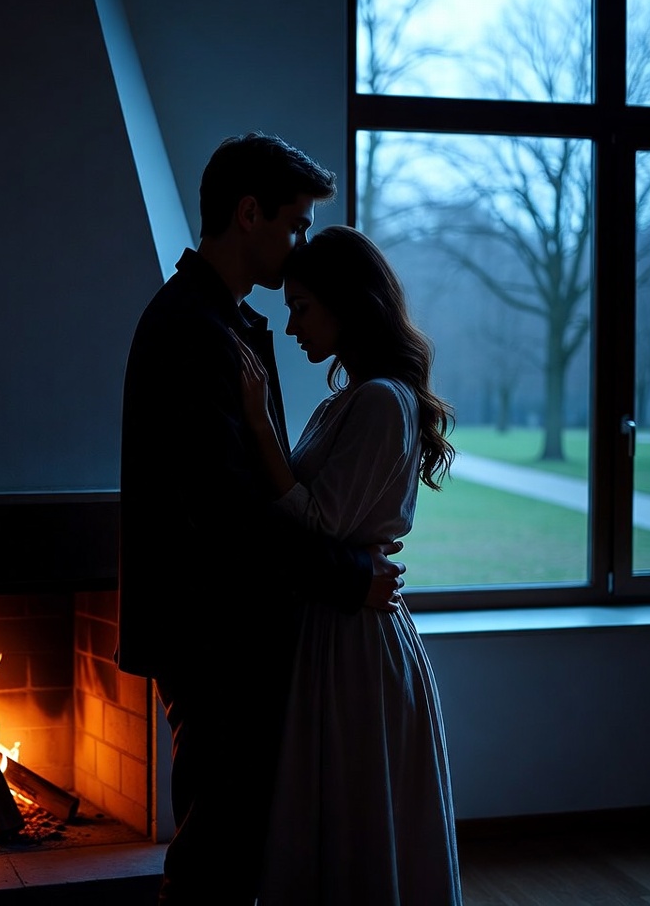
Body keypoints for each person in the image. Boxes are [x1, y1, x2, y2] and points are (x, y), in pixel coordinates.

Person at [116, 133, 407, 906]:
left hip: (229, 629)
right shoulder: (194, 331)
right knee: (218, 854)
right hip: (215, 633)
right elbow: (231, 515)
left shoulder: (224, 324)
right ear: (249, 214)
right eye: (295, 223)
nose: (302, 242)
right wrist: (350, 578)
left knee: (233, 844)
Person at [234, 225, 463, 905]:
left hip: (355, 644)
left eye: (303, 306)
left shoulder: (381, 401)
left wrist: (255, 422)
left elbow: (314, 520)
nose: (291, 323)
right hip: (337, 628)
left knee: (354, 818)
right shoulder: (353, 400)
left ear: (346, 304)